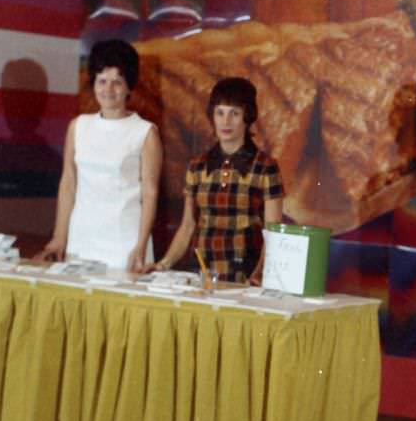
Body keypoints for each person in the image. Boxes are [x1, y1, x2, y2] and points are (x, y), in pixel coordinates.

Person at [39, 39, 162, 272]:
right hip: (81, 239)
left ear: (129, 87)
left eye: (117, 82)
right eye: (102, 81)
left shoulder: (145, 132)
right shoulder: (78, 127)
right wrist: (59, 236)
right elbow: (68, 183)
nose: (108, 89)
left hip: (124, 241)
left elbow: (150, 192)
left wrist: (141, 245)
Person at [151, 76, 283, 283]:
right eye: (220, 112)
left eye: (234, 113)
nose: (226, 121)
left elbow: (274, 233)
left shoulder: (266, 167)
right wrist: (163, 264)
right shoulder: (197, 166)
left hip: (245, 276)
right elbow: (188, 226)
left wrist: (259, 274)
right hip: (201, 273)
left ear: (248, 117)